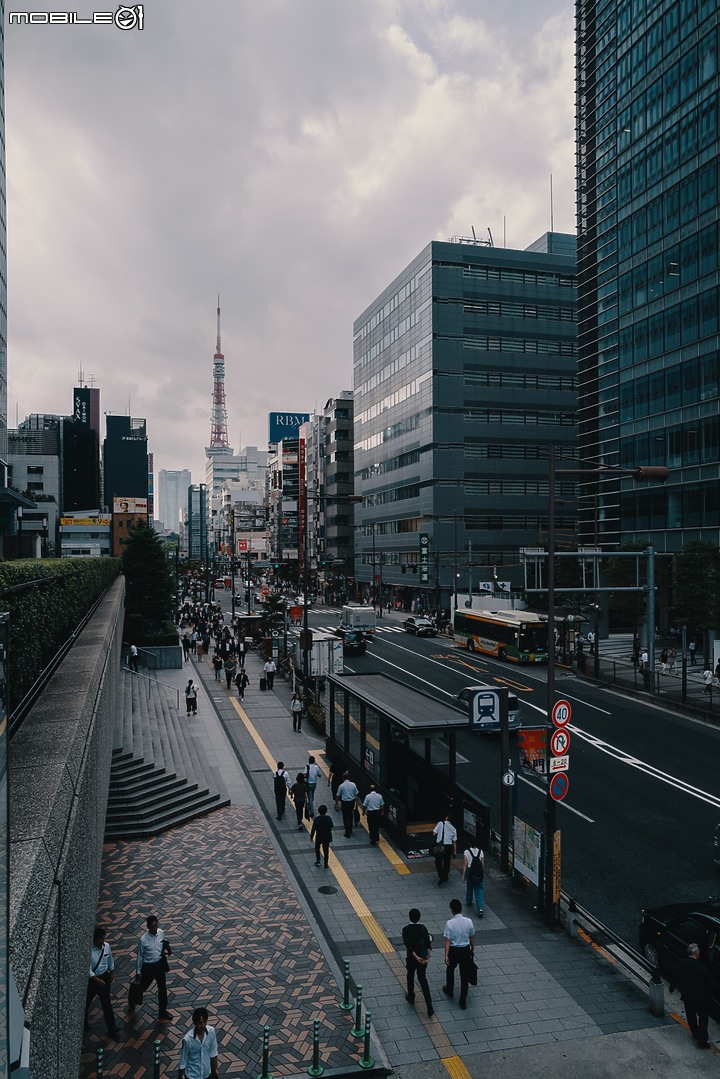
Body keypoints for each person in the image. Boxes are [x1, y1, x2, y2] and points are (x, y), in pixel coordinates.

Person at [669, 943, 713, 1048]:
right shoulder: (702, 968)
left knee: (691, 1016)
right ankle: (702, 1040)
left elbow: (675, 976)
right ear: (696, 953)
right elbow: (711, 983)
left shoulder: (682, 963)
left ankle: (695, 1033)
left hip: (687, 995)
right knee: (703, 1018)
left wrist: (671, 988)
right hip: (701, 998)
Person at [133, 915, 173, 1021]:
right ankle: (132, 998)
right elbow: (140, 956)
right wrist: (138, 971)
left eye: (156, 925)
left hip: (159, 965)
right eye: (152, 926)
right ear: (148, 926)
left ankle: (162, 1011)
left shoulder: (161, 932)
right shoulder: (143, 940)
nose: (155, 928)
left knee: (163, 989)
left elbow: (163, 944)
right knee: (143, 987)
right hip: (148, 967)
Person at [442, 898, 475, 1010]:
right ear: (461, 909)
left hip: (454, 951)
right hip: (465, 950)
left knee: (450, 970)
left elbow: (447, 940)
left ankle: (449, 989)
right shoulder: (468, 921)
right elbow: (471, 936)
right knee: (464, 975)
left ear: (452, 910)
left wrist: (446, 955)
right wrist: (472, 948)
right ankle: (463, 1000)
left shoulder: (450, 923)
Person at [85, 925, 118, 1036]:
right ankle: (84, 1024)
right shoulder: (90, 950)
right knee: (87, 1003)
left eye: (104, 938)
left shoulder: (106, 946)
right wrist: (95, 979)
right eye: (100, 939)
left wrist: (112, 972)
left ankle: (112, 1027)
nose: (103, 941)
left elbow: (110, 960)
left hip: (104, 977)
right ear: (95, 939)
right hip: (93, 980)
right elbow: (88, 968)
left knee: (107, 1004)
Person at [402, 908, 433, 1017]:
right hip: (423, 959)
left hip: (412, 959)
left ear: (410, 917)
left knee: (410, 976)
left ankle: (411, 996)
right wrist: (427, 957)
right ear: (419, 917)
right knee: (423, 979)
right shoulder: (423, 928)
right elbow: (428, 944)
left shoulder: (405, 930)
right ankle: (429, 1006)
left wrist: (416, 957)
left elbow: (408, 947)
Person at [178, 1005, 219, 1079]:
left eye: (204, 1022)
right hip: (192, 1075)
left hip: (207, 1074)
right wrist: (181, 1075)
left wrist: (215, 1069)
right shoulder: (188, 1039)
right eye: (200, 1023)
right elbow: (183, 1059)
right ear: (195, 1023)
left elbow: (213, 1052)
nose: (203, 1025)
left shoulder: (211, 1032)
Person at [432, 813, 457, 885]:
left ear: (446, 818)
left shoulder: (440, 823)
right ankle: (445, 875)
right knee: (447, 862)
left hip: (440, 846)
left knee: (438, 862)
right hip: (448, 847)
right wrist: (454, 852)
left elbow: (434, 833)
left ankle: (441, 876)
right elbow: (454, 842)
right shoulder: (453, 829)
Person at [462, 843, 485, 917]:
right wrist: (482, 873)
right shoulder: (481, 852)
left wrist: (463, 875)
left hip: (470, 872)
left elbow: (465, 864)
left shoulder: (466, 852)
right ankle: (480, 908)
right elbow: (482, 864)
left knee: (470, 887)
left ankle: (469, 900)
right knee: (479, 890)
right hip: (478, 872)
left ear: (470, 843)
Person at [335, 772, 360, 838]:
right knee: (350, 815)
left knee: (345, 816)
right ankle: (351, 828)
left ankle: (347, 831)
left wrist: (336, 804)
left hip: (344, 802)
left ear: (343, 778)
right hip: (351, 802)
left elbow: (337, 795)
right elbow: (356, 794)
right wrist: (357, 804)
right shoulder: (353, 784)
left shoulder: (341, 786)